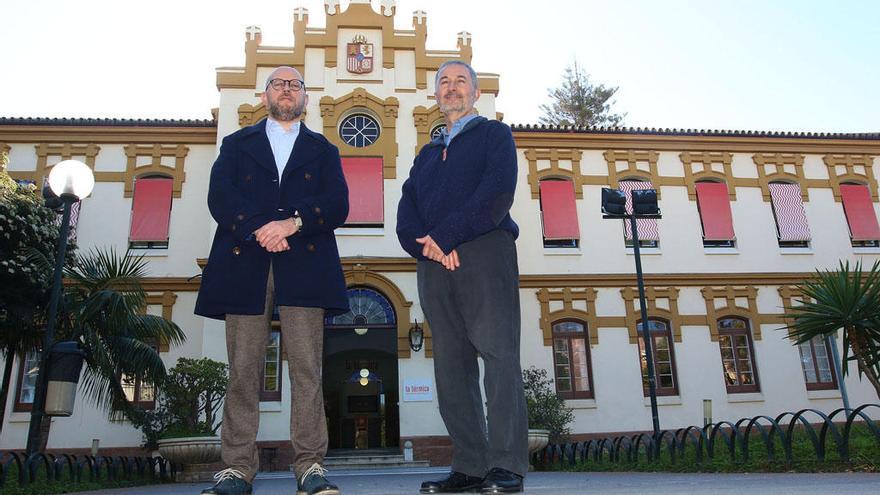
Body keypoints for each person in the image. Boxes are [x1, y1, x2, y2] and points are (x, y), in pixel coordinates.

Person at [195, 66, 348, 495]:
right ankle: (237, 468)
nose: (287, 89)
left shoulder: (323, 149)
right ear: (265, 97)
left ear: (305, 99)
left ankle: (310, 466)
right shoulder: (236, 143)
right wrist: (264, 228)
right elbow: (220, 197)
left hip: (305, 265)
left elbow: (337, 204)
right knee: (243, 369)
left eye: (295, 84)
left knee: (306, 369)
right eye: (278, 84)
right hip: (246, 262)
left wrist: (293, 224)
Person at [397, 60, 528, 494]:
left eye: (460, 81)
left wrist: (446, 236)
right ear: (435, 94)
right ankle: (470, 466)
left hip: (485, 251)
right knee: (451, 366)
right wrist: (427, 246)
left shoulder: (495, 135)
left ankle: (506, 465)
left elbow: (497, 192)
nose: (452, 88)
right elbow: (406, 210)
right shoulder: (427, 155)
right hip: (433, 262)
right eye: (444, 82)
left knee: (498, 357)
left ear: (475, 93)